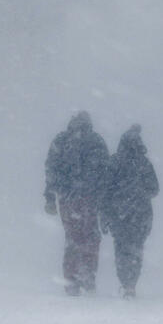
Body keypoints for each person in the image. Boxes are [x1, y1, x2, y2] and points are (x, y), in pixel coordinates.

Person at [44, 110, 109, 296]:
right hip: (90, 198)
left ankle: (71, 281)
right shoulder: (96, 141)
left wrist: (50, 197)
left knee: (72, 238)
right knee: (90, 237)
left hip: (67, 198)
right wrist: (104, 201)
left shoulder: (61, 140)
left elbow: (51, 169)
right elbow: (106, 173)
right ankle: (88, 277)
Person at [101, 124, 158, 299]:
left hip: (118, 214)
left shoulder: (114, 162)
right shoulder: (144, 163)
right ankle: (132, 284)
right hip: (141, 214)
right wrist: (140, 195)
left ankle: (125, 283)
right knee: (136, 249)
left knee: (121, 248)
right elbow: (155, 189)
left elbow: (105, 191)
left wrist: (104, 215)